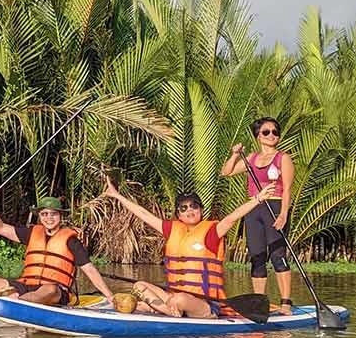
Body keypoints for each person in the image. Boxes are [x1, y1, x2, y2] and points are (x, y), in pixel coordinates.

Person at [101, 176, 280, 318]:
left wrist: (258, 199)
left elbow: (232, 218)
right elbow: (143, 214)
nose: (189, 210)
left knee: (179, 299)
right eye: (183, 208)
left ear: (201, 209)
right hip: (173, 299)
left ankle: (158, 309)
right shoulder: (172, 229)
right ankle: (166, 310)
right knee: (139, 286)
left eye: (194, 206)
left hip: (205, 305)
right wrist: (117, 196)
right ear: (178, 214)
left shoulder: (212, 232)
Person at [0, 194, 116, 306]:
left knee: (50, 290)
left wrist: (109, 296)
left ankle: (17, 304)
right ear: (40, 216)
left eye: (53, 214)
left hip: (54, 291)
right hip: (24, 286)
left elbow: (89, 269)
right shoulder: (32, 233)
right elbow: (0, 228)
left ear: (60, 216)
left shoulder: (71, 240)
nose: (49, 218)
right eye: (45, 214)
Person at [221, 117, 295, 313]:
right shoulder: (251, 158)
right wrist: (235, 154)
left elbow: (287, 189)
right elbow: (226, 172)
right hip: (254, 209)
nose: (271, 135)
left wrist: (284, 215)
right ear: (258, 136)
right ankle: (259, 302)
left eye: (275, 132)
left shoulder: (283, 158)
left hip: (276, 207)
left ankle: (286, 302)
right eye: (266, 132)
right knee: (257, 256)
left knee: (278, 256)